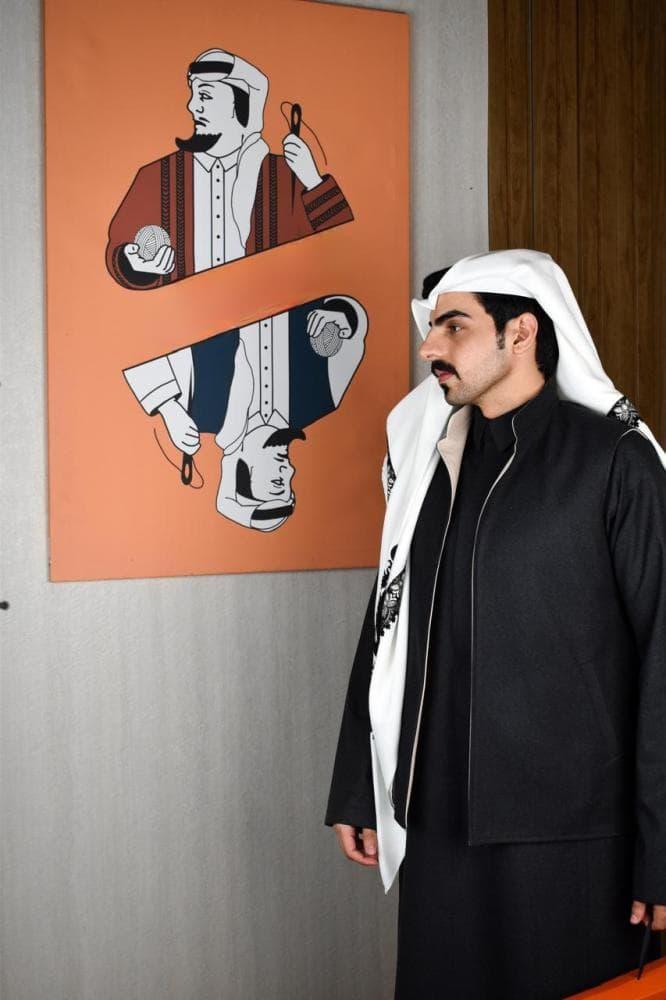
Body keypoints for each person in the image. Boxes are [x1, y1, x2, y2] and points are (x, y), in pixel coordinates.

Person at [325, 249, 666, 998]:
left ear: (521, 333)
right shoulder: (431, 464)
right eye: (431, 327)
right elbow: (388, 620)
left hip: (576, 842)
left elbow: (662, 659)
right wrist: (361, 783)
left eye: (453, 326)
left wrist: (662, 848)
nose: (429, 348)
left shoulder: (615, 463)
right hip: (437, 825)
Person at [106, 47, 353, 289]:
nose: (192, 106)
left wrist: (313, 181)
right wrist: (134, 263)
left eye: (205, 96)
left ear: (241, 105)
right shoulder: (156, 177)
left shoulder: (285, 176)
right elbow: (119, 246)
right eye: (193, 95)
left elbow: (344, 248)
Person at [123, 294, 368, 530]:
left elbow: (137, 339)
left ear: (240, 472)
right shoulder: (321, 398)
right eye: (289, 482)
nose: (290, 470)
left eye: (277, 483)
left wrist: (167, 407)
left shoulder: (198, 407)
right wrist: (341, 315)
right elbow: (354, 327)